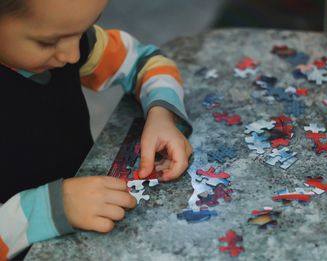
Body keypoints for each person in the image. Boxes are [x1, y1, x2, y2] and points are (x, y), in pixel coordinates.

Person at [0, 0, 192, 259]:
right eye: (48, 42)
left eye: (86, 26)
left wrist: (161, 114)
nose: (72, 56)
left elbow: (146, 61)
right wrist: (52, 209)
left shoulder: (71, 38)